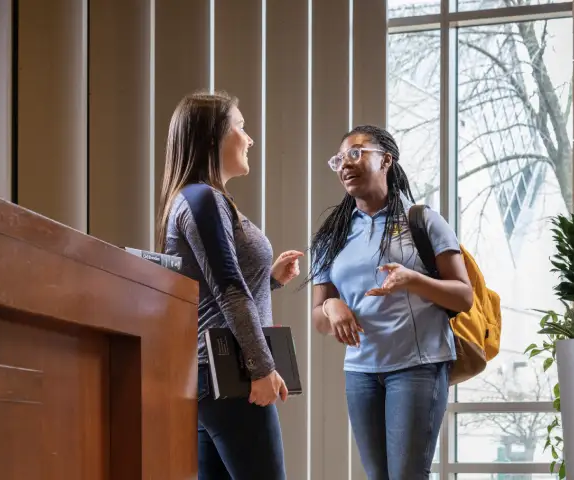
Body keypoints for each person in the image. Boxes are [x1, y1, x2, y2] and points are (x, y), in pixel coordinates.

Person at [307, 125, 473, 479]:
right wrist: (331, 307)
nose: (344, 165)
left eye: (356, 153)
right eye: (338, 159)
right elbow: (319, 318)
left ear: (386, 159)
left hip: (418, 366)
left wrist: (413, 279)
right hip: (360, 373)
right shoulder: (330, 237)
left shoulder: (423, 221)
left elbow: (464, 295)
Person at [157, 91, 302, 480]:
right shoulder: (203, 199)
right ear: (212, 138)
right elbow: (228, 290)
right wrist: (261, 366)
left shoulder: (196, 199)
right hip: (229, 376)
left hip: (210, 379)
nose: (249, 137)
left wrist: (268, 279)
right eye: (240, 125)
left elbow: (212, 288)